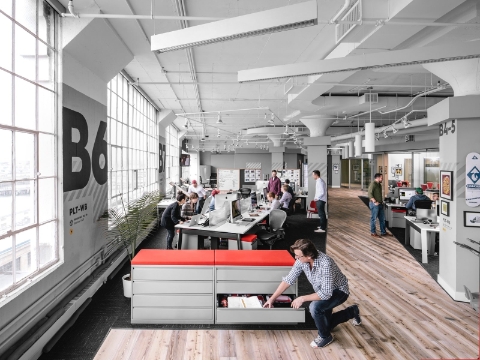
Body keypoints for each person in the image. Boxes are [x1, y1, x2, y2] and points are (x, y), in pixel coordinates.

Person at [264, 239, 361, 348]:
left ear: (309, 255)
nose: (296, 258)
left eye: (298, 256)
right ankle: (352, 311)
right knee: (325, 325)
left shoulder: (325, 264)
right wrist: (272, 298)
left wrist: (302, 298)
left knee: (315, 307)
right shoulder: (302, 261)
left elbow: (326, 294)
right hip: (323, 291)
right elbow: (288, 280)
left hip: (339, 291)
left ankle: (325, 337)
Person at [367, 173, 392, 237]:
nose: (382, 179)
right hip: (375, 204)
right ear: (377, 178)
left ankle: (383, 232)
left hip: (380, 204)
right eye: (381, 178)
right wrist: (374, 201)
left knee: (382, 219)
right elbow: (369, 194)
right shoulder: (373, 184)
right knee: (374, 219)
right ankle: (373, 232)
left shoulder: (379, 185)